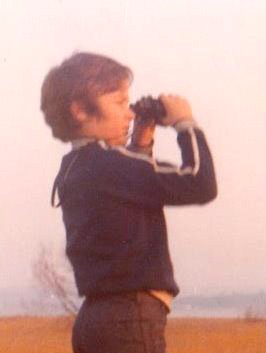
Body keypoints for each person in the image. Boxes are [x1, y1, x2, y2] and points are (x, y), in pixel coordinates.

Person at [40, 52, 217, 353]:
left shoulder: (76, 167)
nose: (130, 113)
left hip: (95, 320)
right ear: (80, 110)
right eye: (120, 102)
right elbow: (200, 183)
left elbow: (131, 190)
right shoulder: (113, 166)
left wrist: (142, 140)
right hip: (130, 319)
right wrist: (185, 123)